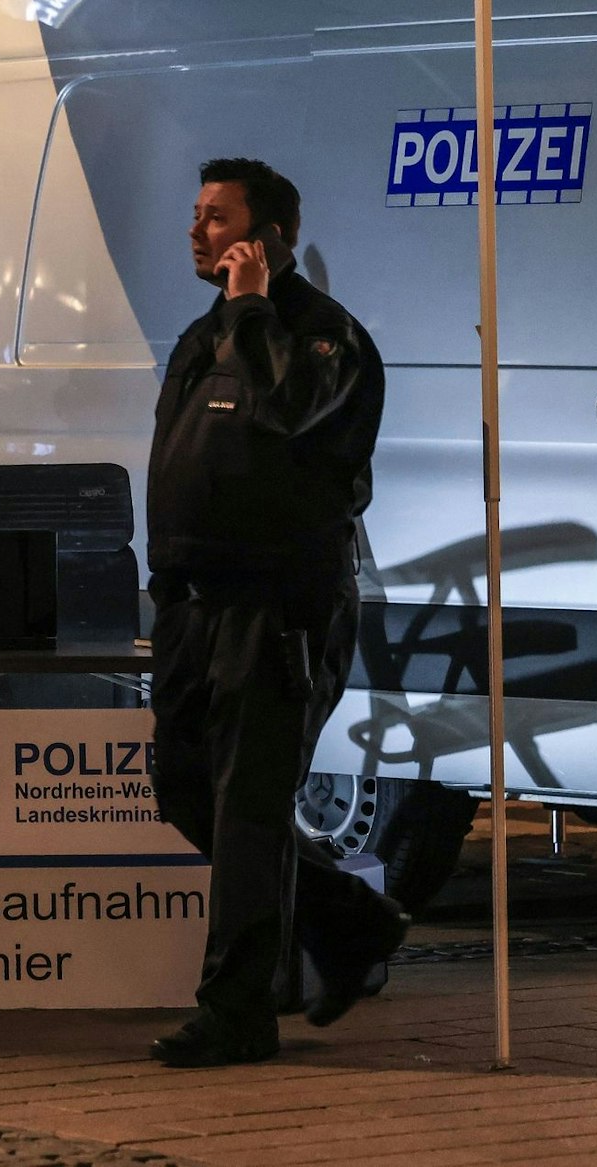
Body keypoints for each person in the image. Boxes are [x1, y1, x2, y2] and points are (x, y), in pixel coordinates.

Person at [145, 157, 408, 1068]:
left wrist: (255, 308)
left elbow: (286, 409)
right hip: (191, 605)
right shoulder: (201, 335)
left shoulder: (319, 335)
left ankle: (237, 1011)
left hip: (277, 606)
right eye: (197, 213)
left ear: (267, 239)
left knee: (249, 807)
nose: (196, 230)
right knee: (182, 786)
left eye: (216, 218)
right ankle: (351, 922)